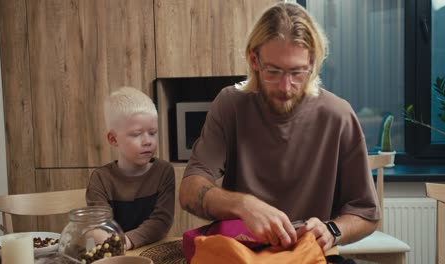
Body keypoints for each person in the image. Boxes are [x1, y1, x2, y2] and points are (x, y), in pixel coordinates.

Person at [179, 2, 380, 252]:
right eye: (273, 71)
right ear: (254, 60)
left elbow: (367, 214)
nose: (285, 87)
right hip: (243, 253)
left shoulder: (338, 115)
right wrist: (244, 205)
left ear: (313, 63)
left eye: (297, 72)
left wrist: (332, 230)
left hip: (306, 255)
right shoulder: (230, 104)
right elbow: (189, 190)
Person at [86, 86, 175, 250]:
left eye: (153, 132)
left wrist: (125, 241)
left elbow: (161, 221)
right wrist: (111, 241)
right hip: (116, 254)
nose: (147, 141)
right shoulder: (100, 178)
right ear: (113, 139)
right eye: (136, 134)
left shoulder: (164, 171)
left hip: (154, 252)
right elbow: (99, 228)